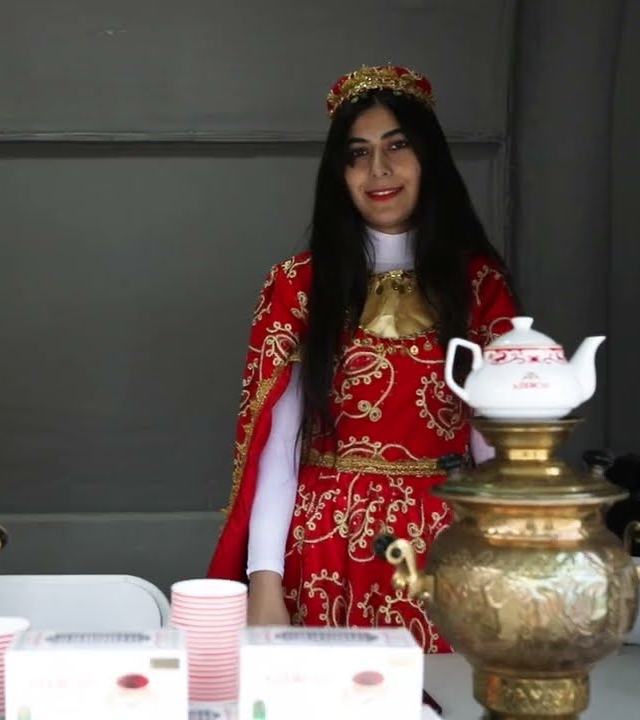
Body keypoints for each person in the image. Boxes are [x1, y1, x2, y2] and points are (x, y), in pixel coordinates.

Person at [206, 64, 519, 651]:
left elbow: (495, 442)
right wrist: (264, 582)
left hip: (446, 546)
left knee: (445, 692)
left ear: (428, 159)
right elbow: (278, 447)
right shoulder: (299, 286)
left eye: (397, 146)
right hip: (324, 546)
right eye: (358, 154)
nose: (379, 169)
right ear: (340, 174)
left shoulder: (478, 285)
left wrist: (514, 553)